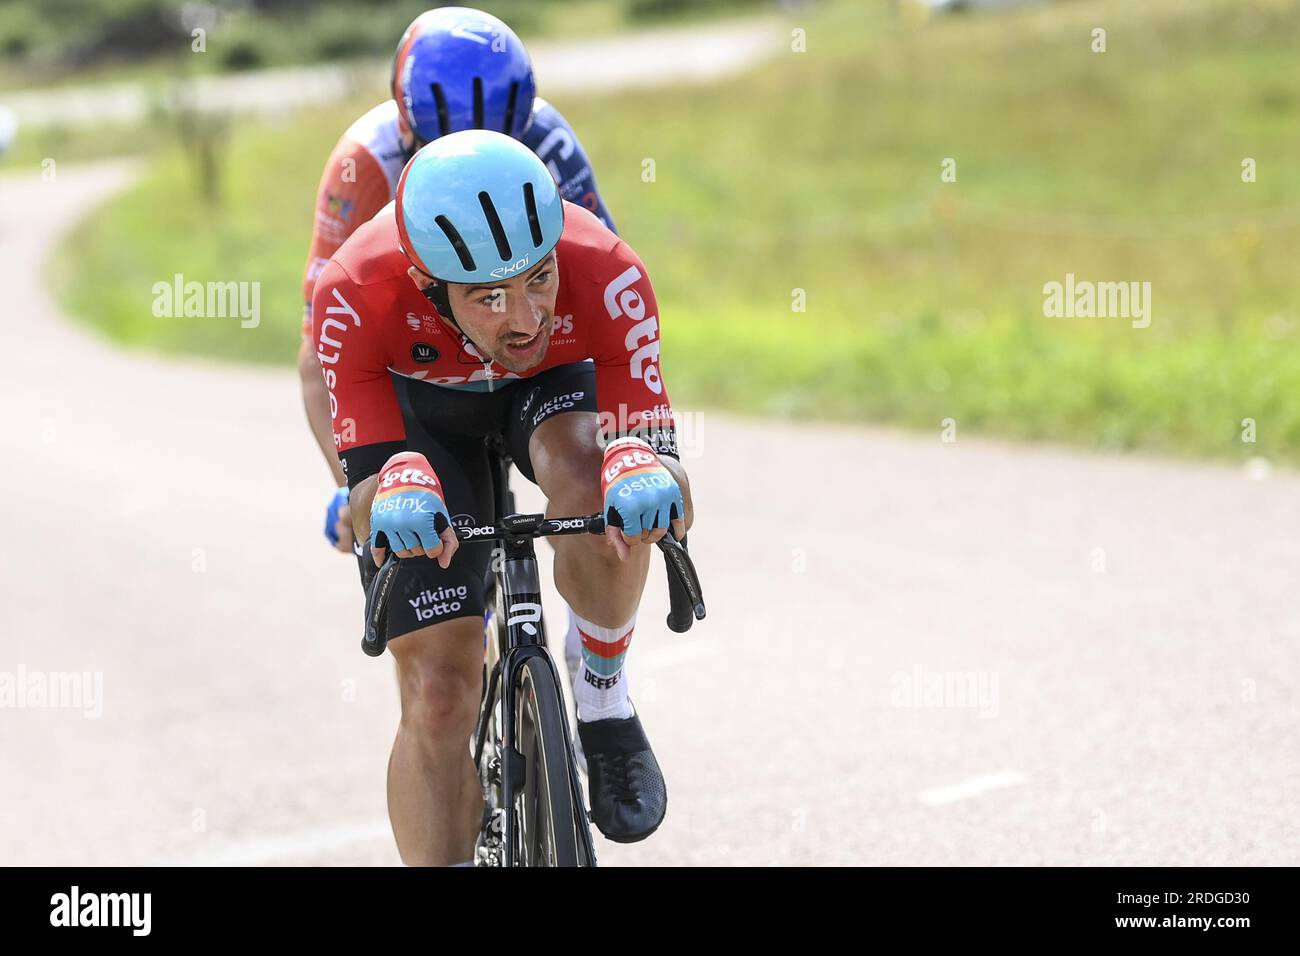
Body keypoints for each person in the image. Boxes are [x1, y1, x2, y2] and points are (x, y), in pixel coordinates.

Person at [312, 129, 691, 865]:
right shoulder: (354, 291)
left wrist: (646, 469)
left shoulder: (607, 270)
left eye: (538, 278)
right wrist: (382, 496)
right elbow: (361, 496)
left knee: (595, 479)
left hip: (547, 395)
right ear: (428, 287)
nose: (525, 318)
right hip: (422, 414)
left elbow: (670, 479)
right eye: (489, 295)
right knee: (438, 696)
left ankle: (603, 693)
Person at [299, 6, 617, 555]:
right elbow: (319, 351)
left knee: (586, 479)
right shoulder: (364, 165)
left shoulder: (550, 140)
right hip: (420, 364)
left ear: (522, 132)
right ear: (405, 128)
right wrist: (350, 485)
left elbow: (605, 295)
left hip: (536, 354)